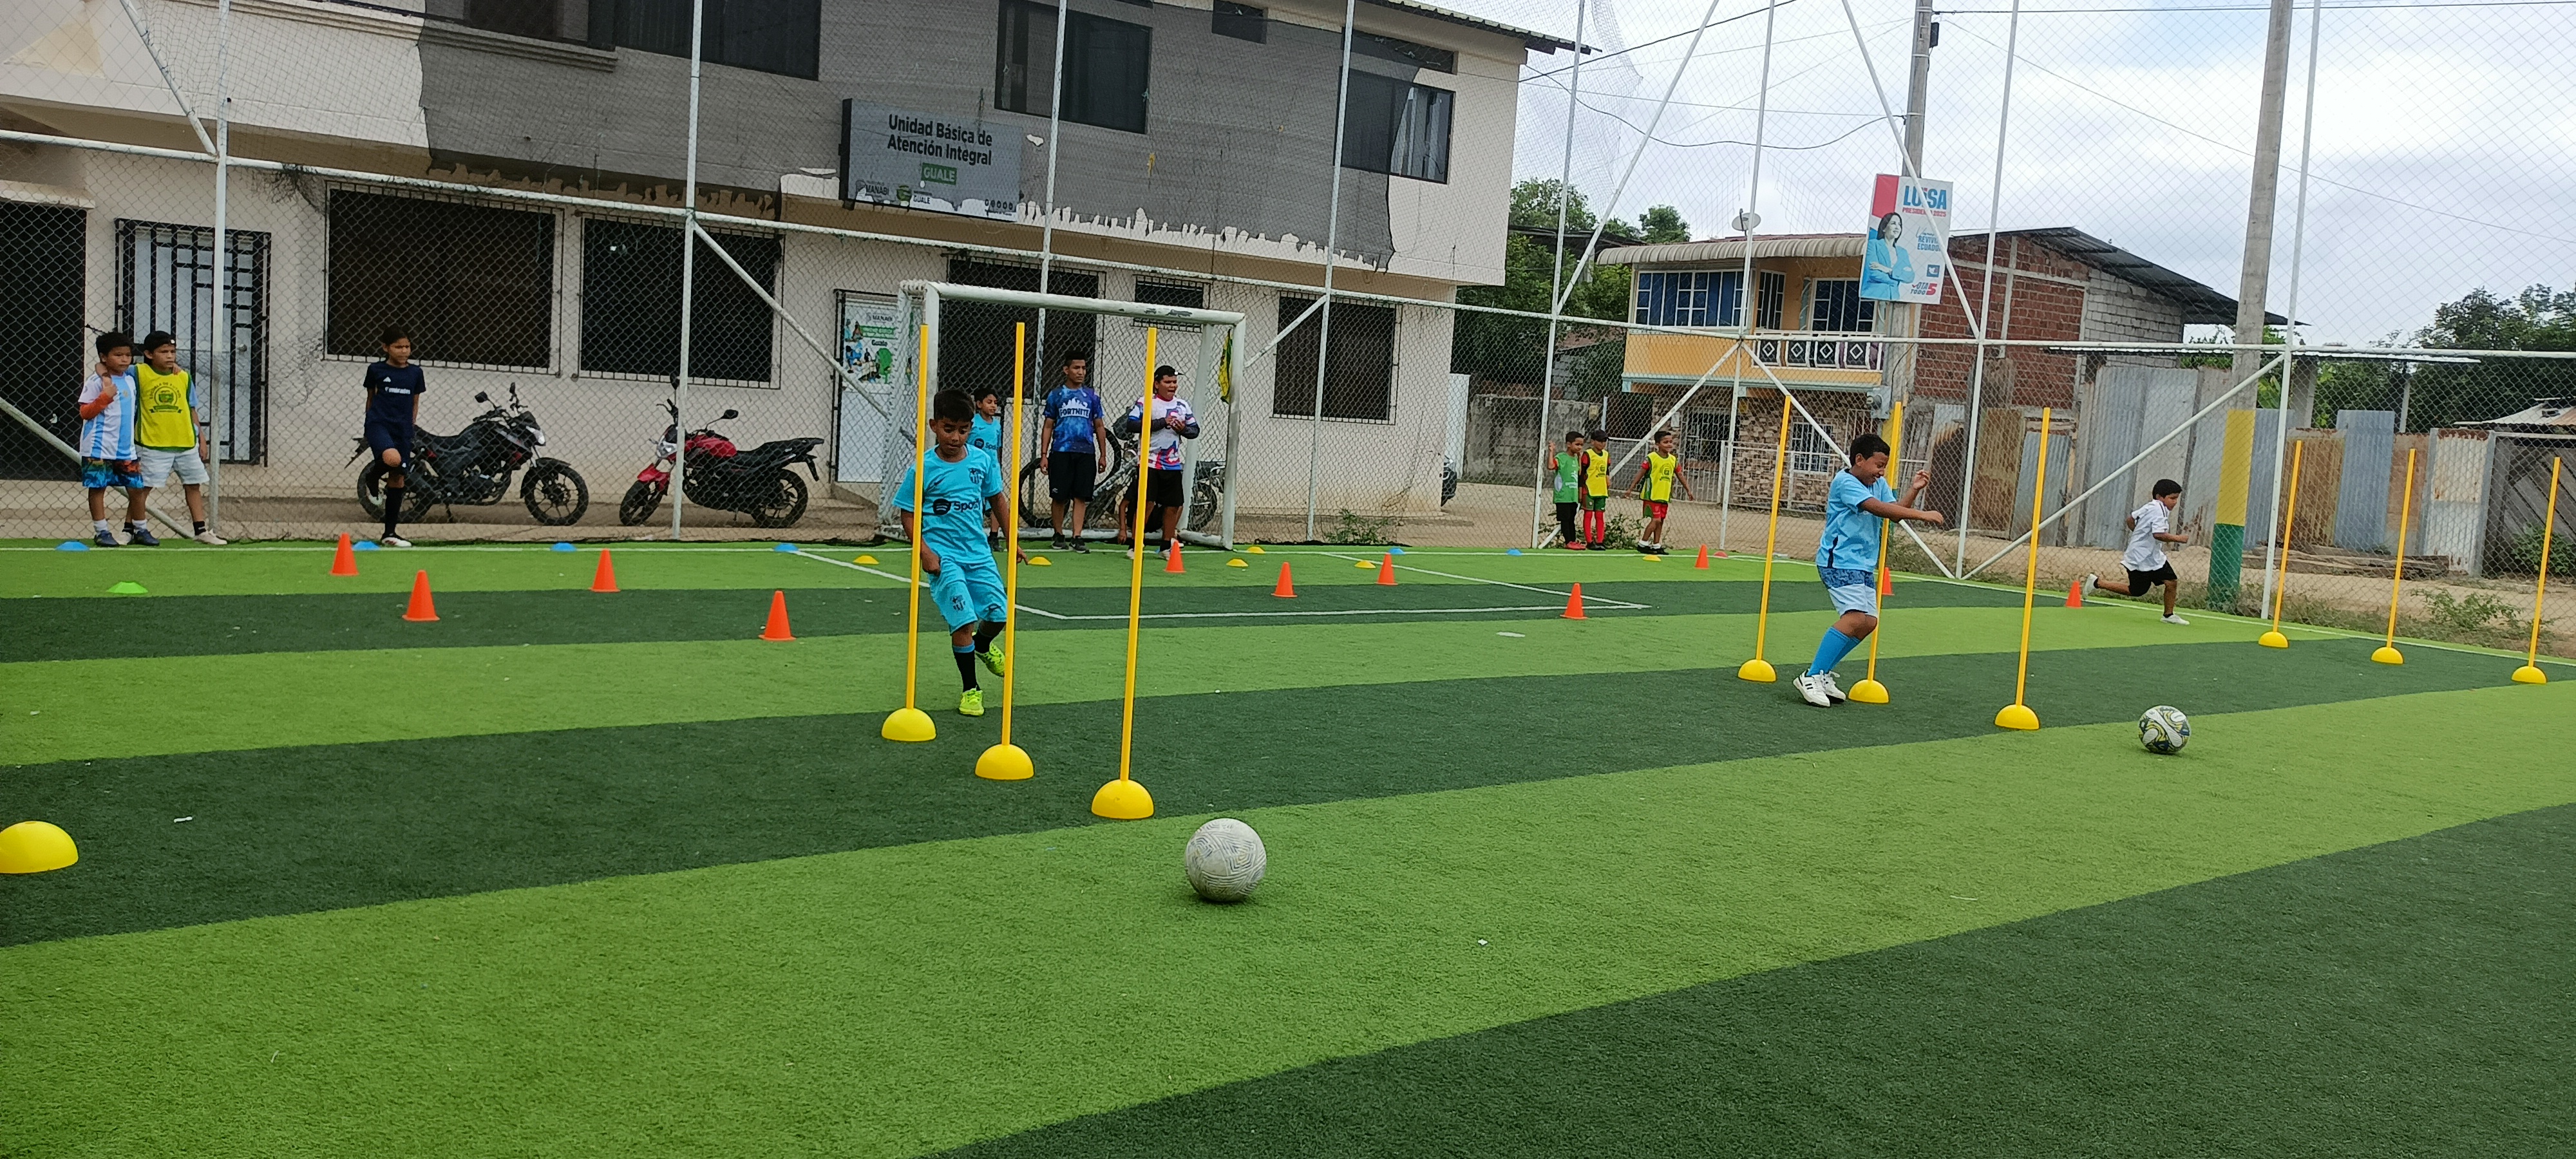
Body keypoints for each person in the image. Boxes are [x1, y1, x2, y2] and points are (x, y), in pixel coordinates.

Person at [1795, 432, 1945, 708]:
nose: (1881, 472)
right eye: (1878, 465)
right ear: (1859, 460)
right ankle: (1811, 675)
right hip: (1839, 561)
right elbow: (1877, 509)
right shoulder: (1845, 483)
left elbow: (1894, 511)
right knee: (1854, 618)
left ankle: (1823, 673)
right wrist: (1923, 515)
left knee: (1868, 623)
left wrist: (1914, 490)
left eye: (1884, 466)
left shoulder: (1878, 483)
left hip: (1863, 563)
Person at [891, 388, 1014, 717]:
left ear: (972, 428)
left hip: (978, 553)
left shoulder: (982, 461)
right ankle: (971, 689)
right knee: (964, 621)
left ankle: (983, 646)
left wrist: (1012, 538)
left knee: (998, 615)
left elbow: (997, 499)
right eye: (948, 429)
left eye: (963, 430)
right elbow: (908, 513)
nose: (955, 437)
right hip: (944, 558)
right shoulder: (924, 468)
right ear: (934, 426)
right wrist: (924, 552)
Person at [132, 331, 225, 545]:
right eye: (164, 352)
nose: (170, 356)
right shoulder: (138, 373)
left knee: (193, 485)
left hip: (185, 443)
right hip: (154, 443)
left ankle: (201, 531)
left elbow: (191, 409)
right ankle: (133, 529)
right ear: (149, 354)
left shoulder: (183, 377)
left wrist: (201, 438)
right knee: (143, 488)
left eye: (172, 352)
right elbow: (112, 370)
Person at [1114, 364, 1200, 558]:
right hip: (1149, 463)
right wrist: (1161, 423)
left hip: (1172, 464)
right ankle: (1136, 545)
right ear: (1156, 384)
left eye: (1175, 382)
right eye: (1167, 382)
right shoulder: (1146, 402)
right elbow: (1132, 424)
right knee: (1146, 503)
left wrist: (1182, 429)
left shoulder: (1182, 405)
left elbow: (1194, 430)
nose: (1172, 386)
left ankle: (1165, 546)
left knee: (1173, 505)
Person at [77, 332, 149, 547]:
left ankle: (141, 529)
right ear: (104, 357)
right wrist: (105, 397)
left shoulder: (130, 379)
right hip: (98, 448)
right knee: (98, 488)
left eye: (128, 355)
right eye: (118, 355)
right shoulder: (95, 382)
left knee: (136, 488)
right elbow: (85, 412)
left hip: (126, 449)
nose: (124, 360)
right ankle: (101, 532)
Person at [2086, 479, 2190, 625]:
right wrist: (2179, 539)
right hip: (2140, 557)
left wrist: (2139, 534)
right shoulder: (2158, 510)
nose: (2175, 502)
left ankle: (2168, 615)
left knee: (2171, 582)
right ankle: (2097, 583)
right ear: (2160, 497)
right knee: (2137, 591)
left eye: (2176, 498)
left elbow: (2130, 519)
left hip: (2153, 556)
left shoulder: (2151, 506)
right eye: (2172, 498)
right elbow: (2158, 535)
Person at [1036, 350, 1107, 552]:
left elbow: (1099, 426)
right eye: (1076, 368)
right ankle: (1058, 534)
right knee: (1059, 496)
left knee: (1081, 496)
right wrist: (1044, 455)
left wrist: (1103, 454)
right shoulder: (1056, 395)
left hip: (1085, 452)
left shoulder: (1092, 396)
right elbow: (1048, 425)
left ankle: (1077, 536)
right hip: (1061, 450)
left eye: (1084, 368)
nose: (1081, 372)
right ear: (1066, 370)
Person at [362, 326, 425, 548]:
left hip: (403, 428)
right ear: (386, 348)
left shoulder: (416, 373)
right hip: (379, 424)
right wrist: (369, 424)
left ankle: (390, 533)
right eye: (398, 347)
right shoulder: (376, 370)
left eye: (407, 347)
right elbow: (371, 398)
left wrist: (410, 425)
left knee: (398, 478)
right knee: (392, 459)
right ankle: (371, 478)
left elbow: (415, 402)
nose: (404, 351)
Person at [1626, 429, 1694, 554]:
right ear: (1658, 444)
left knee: (1661, 520)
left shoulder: (1673, 460)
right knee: (1656, 520)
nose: (1669, 445)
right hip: (1652, 495)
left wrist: (1688, 490)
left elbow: (1680, 475)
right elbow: (1641, 473)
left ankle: (1656, 545)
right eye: (1665, 442)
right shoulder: (1652, 458)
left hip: (1664, 495)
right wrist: (1631, 488)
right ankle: (1643, 543)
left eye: (1671, 442)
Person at [971, 386, 1007, 547]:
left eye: (995, 403)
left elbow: (997, 448)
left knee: (996, 500)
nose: (993, 406)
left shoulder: (997, 425)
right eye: (989, 402)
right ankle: (976, 534)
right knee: (975, 500)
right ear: (979, 404)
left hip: (992, 468)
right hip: (976, 469)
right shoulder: (972, 423)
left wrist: (997, 466)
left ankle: (994, 536)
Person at [1580, 427, 1613, 549]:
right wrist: (1581, 490)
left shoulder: (1606, 455)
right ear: (1593, 442)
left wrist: (1607, 479)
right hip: (1589, 489)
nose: (1603, 443)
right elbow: (1582, 473)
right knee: (1588, 515)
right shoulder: (1588, 454)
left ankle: (1600, 541)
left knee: (1600, 516)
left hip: (1602, 490)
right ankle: (1589, 541)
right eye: (1600, 441)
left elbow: (1606, 470)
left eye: (1604, 441)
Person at [1551, 431, 1585, 549]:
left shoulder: (1575, 458)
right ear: (1569, 444)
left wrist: (1579, 457)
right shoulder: (1561, 457)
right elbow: (1551, 466)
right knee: (1565, 519)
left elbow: (1579, 472)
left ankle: (1573, 541)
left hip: (1572, 496)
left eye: (1581, 445)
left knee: (1571, 519)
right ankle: (1568, 542)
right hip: (1563, 495)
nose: (1580, 447)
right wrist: (1551, 452)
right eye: (1577, 444)